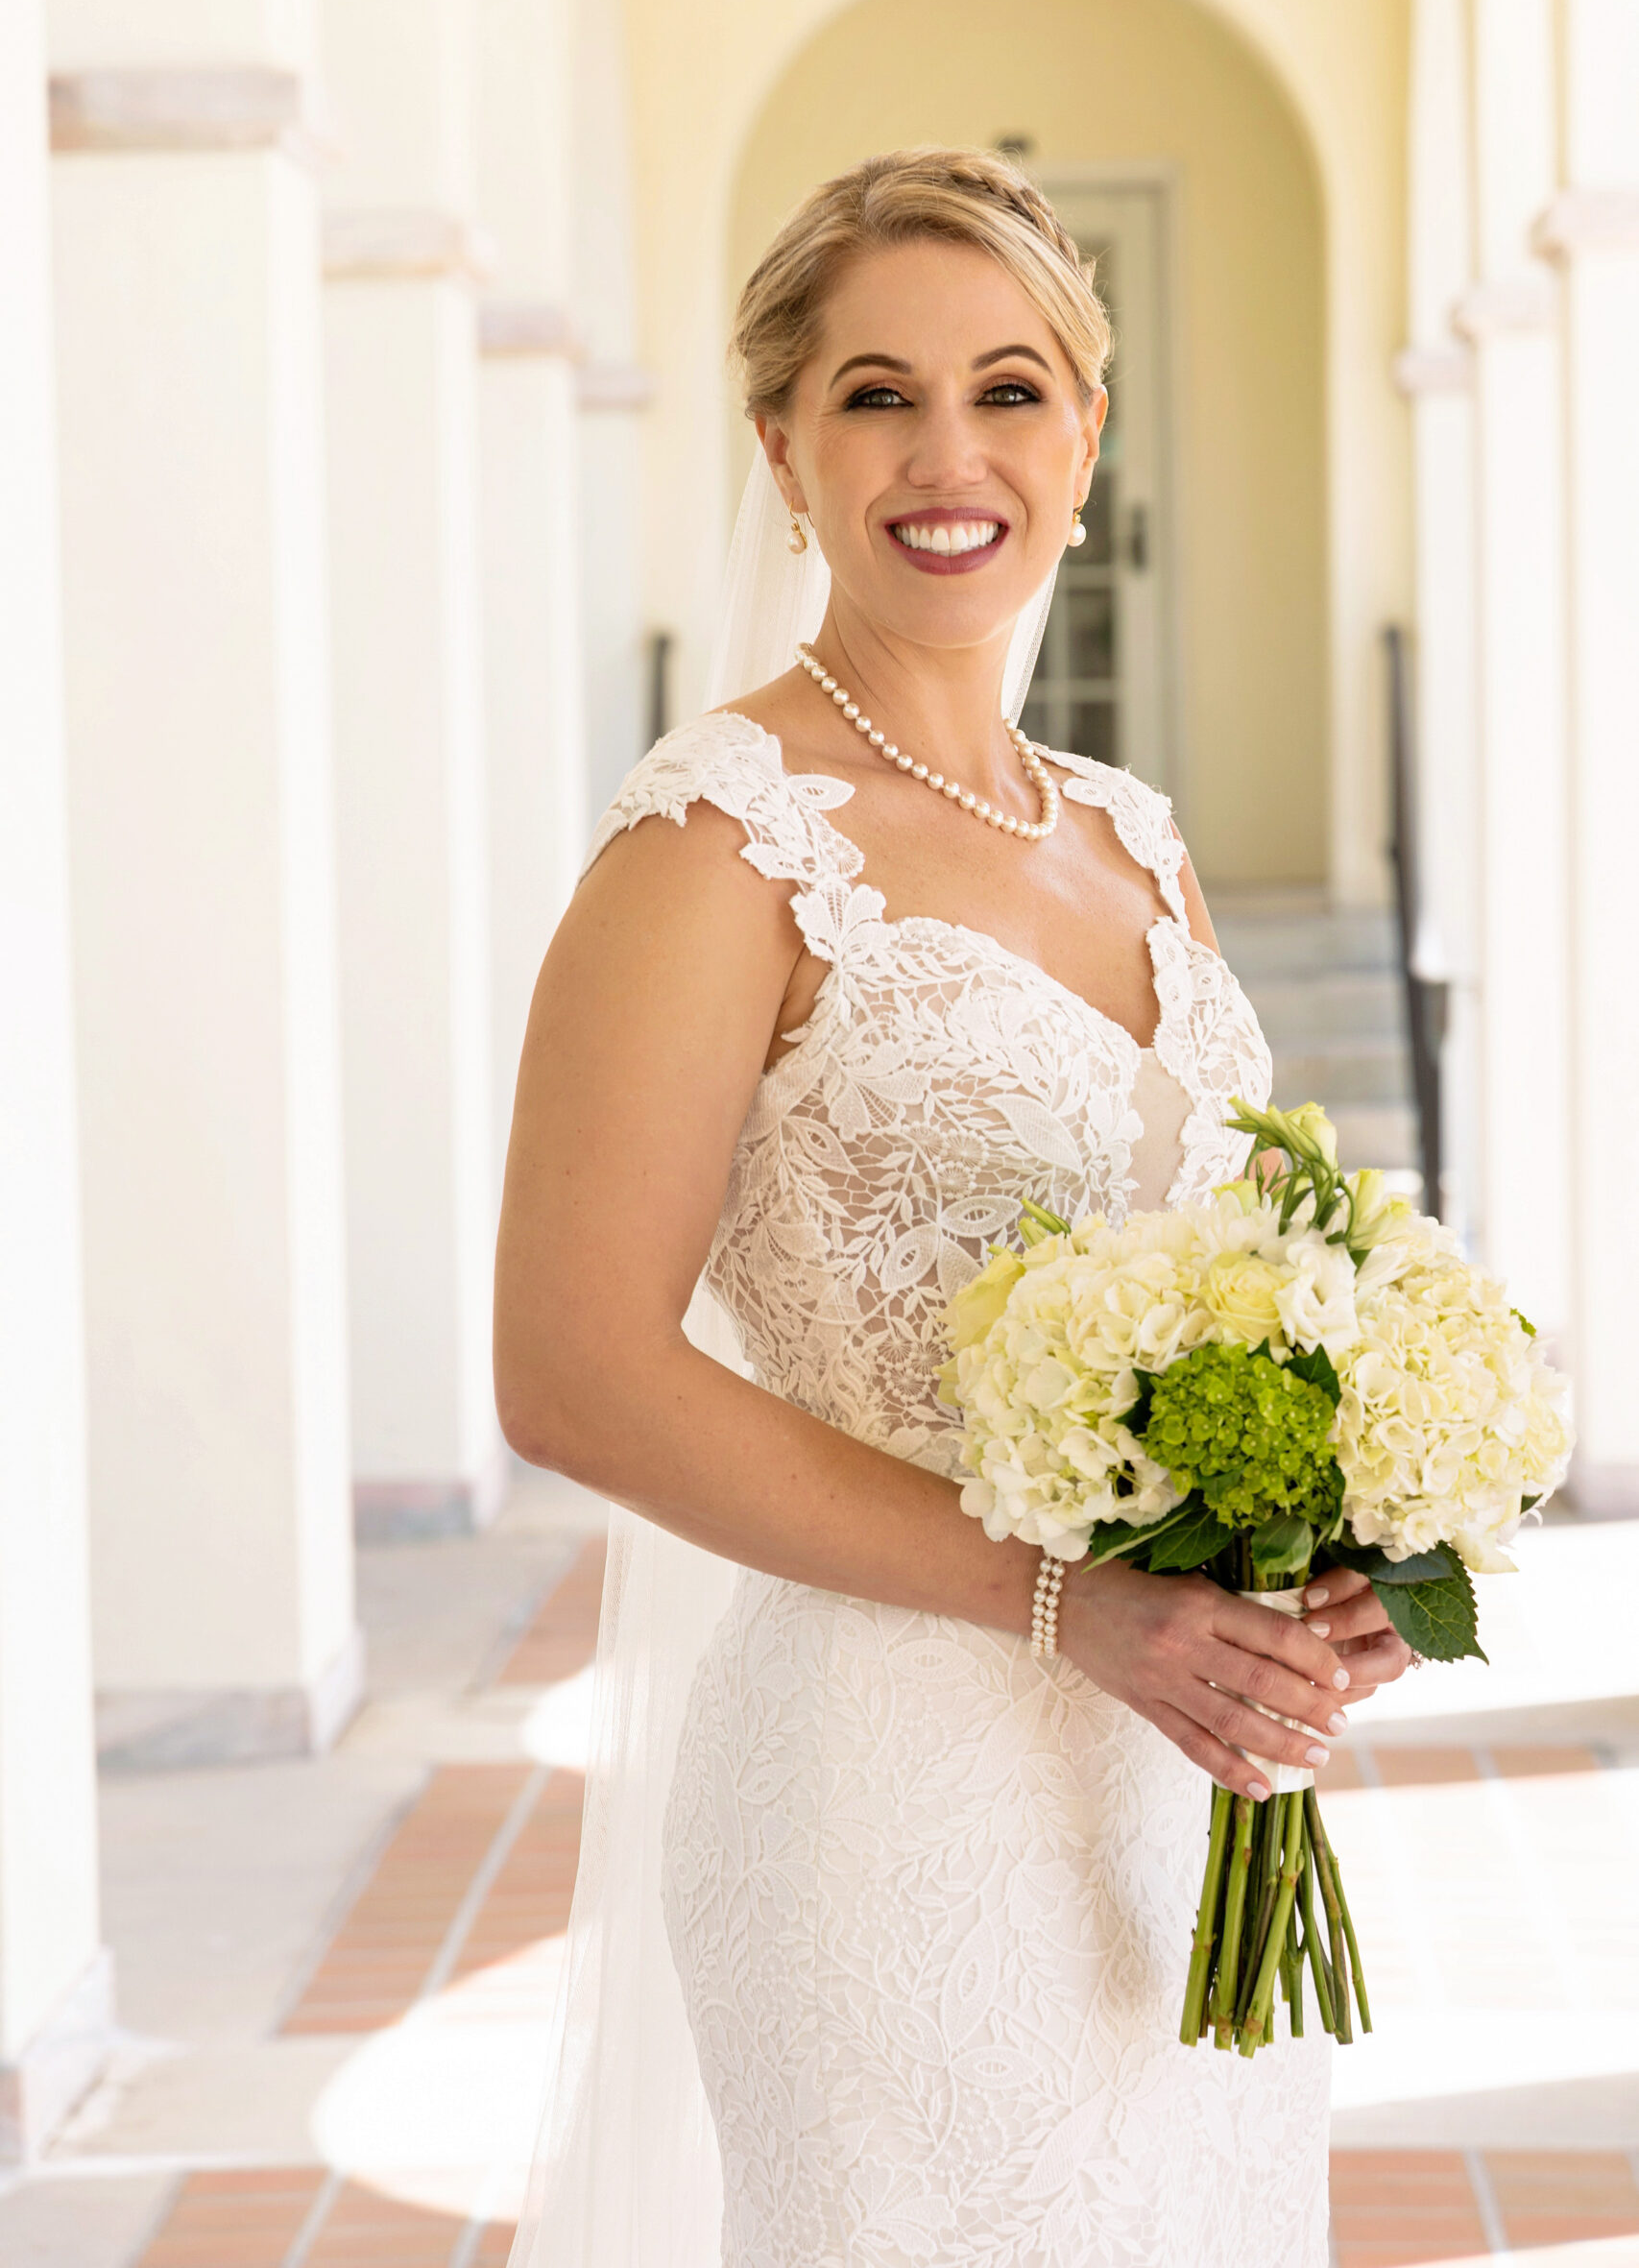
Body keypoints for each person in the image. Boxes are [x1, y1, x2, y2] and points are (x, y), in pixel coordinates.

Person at [494, 147, 1410, 2268]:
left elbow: (1222, 1287)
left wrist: (1319, 1550)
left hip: (1175, 1795)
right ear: (782, 452)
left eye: (1007, 390)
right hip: (881, 1801)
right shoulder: (712, 848)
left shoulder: (1132, 839)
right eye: (875, 393)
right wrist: (1055, 1600)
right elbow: (571, 1372)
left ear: (1083, 440)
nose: (946, 453)